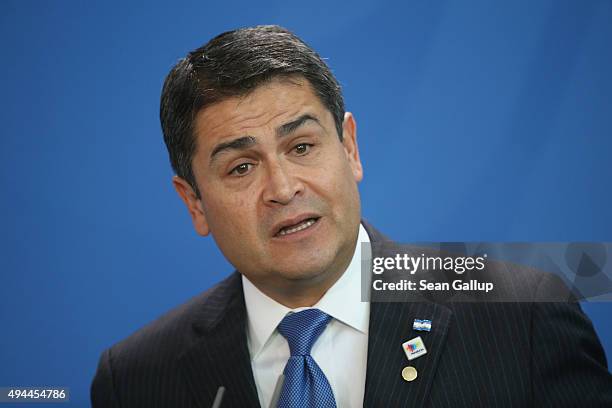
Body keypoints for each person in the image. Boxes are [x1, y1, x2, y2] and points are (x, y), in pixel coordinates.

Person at [91, 25, 612, 407]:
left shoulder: (522, 315)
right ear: (194, 202)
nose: (283, 187)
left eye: (301, 146)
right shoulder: (135, 378)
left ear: (350, 147)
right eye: (242, 166)